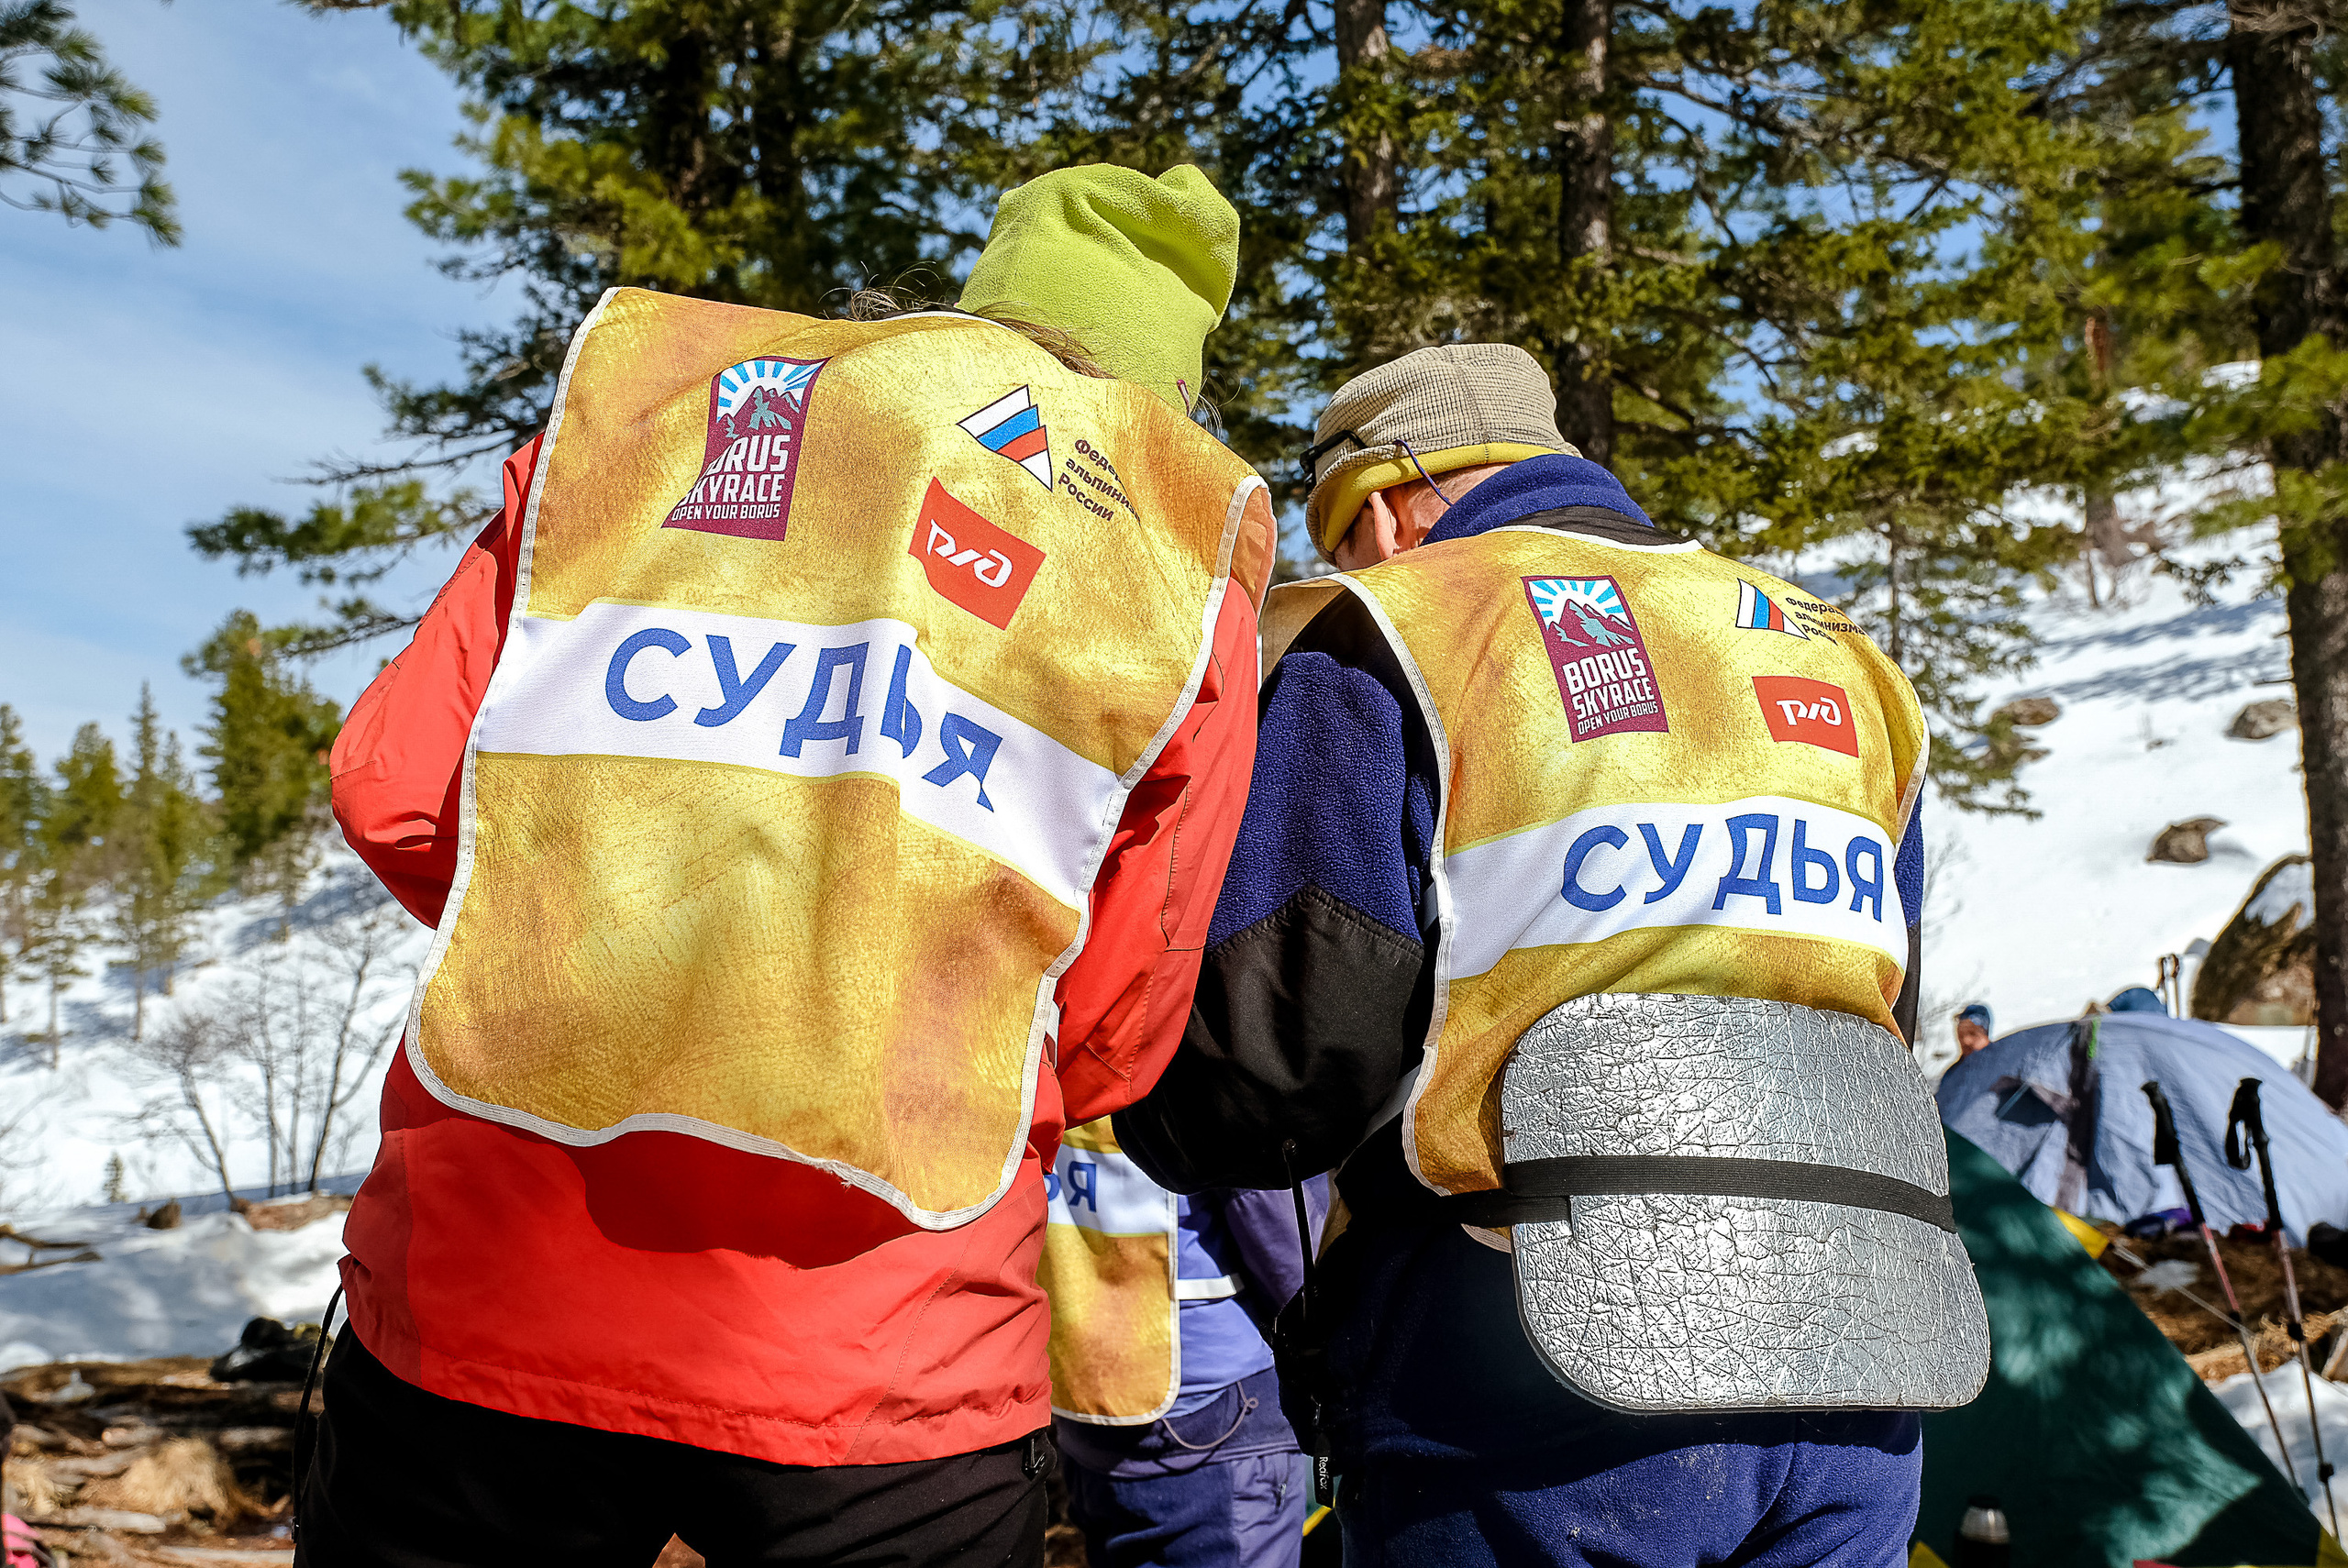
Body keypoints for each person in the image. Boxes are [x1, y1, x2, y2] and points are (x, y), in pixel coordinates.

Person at [303, 164, 1278, 1567]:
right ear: (1169, 394)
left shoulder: (657, 413)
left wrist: (605, 926)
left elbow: (392, 785)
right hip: (894, 1343)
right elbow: (1119, 1026)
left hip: (495, 1288)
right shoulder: (1175, 565)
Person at [1117, 343, 1990, 1567]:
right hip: (1863, 1351)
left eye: (1345, 539)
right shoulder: (1840, 655)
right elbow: (1879, 1005)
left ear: (1383, 507)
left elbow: (1276, 1062)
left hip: (1531, 1373)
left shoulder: (1402, 627)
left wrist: (1154, 1103)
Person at [1040, 1118, 1327, 1568]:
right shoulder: (1204, 1070)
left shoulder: (1041, 1069)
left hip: (1085, 1401)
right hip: (1216, 1418)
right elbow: (1290, 1250)